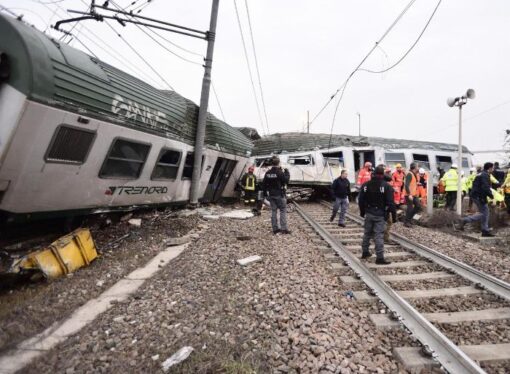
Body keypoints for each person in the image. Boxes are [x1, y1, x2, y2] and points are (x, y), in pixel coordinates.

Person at [358, 165, 395, 265]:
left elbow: (361, 200)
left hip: (369, 212)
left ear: (373, 174)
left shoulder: (365, 185)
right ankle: (379, 258)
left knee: (367, 233)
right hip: (380, 214)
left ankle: (365, 252)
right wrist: (394, 216)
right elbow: (391, 203)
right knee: (379, 235)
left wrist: (362, 212)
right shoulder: (387, 186)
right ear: (383, 174)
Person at [457, 162, 495, 237]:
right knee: (484, 213)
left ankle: (485, 230)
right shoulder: (485, 175)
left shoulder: (480, 174)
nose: (493, 169)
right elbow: (485, 187)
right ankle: (465, 220)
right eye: (492, 168)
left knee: (484, 212)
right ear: (490, 168)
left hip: (476, 195)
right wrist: (491, 196)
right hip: (479, 196)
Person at [262, 156, 291, 234]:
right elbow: (286, 181)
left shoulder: (267, 173)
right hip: (279, 194)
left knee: (273, 211)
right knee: (282, 210)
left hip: (271, 195)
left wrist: (264, 194)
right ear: (278, 163)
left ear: (272, 163)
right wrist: (287, 172)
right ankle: (283, 229)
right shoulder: (279, 172)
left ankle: (275, 229)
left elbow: (264, 184)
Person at [404, 163, 421, 227]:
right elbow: (406, 185)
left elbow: (411, 183)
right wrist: (409, 194)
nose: (418, 168)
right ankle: (406, 222)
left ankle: (409, 219)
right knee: (410, 208)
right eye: (417, 167)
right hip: (409, 194)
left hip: (414, 194)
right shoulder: (409, 174)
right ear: (414, 168)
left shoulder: (414, 174)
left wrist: (417, 183)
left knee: (418, 206)